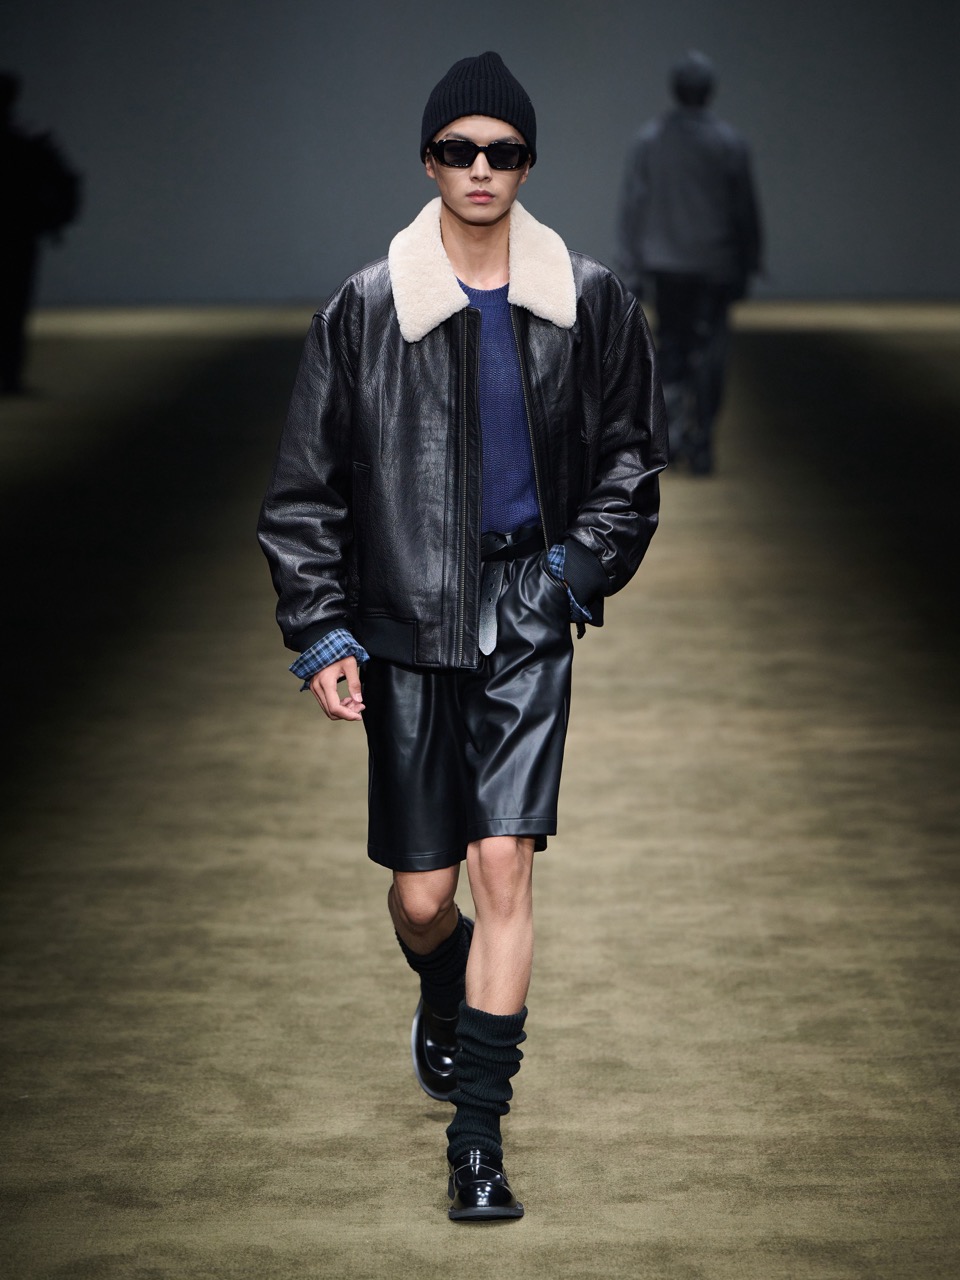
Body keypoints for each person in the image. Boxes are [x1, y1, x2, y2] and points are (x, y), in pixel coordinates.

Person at [259, 51, 667, 1221]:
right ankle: (442, 979)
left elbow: (631, 463)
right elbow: (305, 492)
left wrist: (571, 574)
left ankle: (477, 1141)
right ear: (429, 161)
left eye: (501, 151)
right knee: (424, 892)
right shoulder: (364, 310)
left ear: (527, 164)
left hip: (527, 612)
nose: (480, 168)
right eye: (458, 149)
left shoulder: (589, 300)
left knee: (504, 868)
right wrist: (322, 629)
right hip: (403, 618)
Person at [618, 51, 763, 474]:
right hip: (716, 265)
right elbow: (744, 209)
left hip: (667, 265)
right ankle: (702, 438)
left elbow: (634, 205)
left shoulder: (651, 140)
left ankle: (676, 437)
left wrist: (632, 264)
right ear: (710, 91)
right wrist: (750, 260)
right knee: (711, 354)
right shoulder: (729, 143)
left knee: (673, 349)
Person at [0, 71, 81, 394]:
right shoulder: (31, 139)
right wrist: (57, 221)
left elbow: (66, 182)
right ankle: (10, 377)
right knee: (13, 307)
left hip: (20, 232)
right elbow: (67, 182)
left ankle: (10, 377)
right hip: (19, 233)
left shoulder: (31, 140)